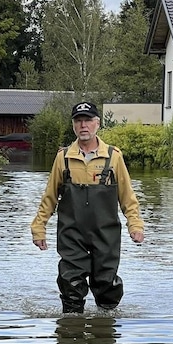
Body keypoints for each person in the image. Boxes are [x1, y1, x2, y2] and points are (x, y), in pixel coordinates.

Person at [30, 101, 144, 314]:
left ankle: (105, 332)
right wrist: (39, 228)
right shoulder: (63, 157)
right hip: (72, 234)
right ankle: (71, 336)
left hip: (106, 234)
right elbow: (50, 197)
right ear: (73, 125)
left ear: (97, 124)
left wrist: (135, 226)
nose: (83, 125)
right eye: (78, 121)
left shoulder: (113, 157)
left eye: (88, 120)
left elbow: (128, 197)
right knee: (71, 285)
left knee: (106, 285)